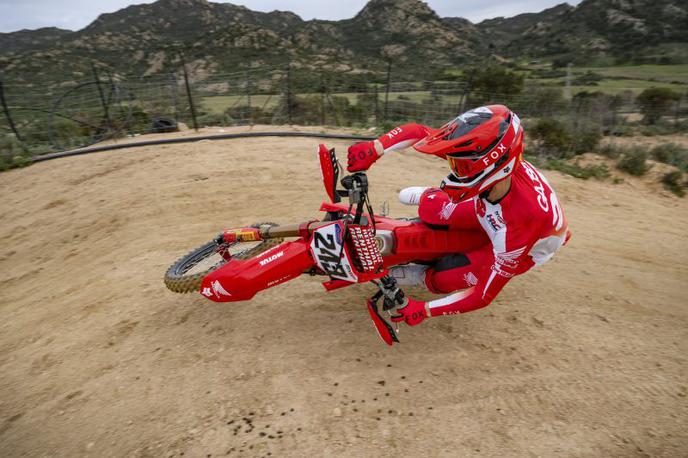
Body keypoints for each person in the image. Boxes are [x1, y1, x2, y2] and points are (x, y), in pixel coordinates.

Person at [347, 105, 570, 327]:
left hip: (528, 242)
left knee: (442, 279)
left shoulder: (517, 231)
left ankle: (419, 276)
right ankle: (428, 199)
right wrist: (375, 148)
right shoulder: (488, 161)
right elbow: (419, 132)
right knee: (430, 210)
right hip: (494, 206)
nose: (454, 169)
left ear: (491, 168)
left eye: (460, 166)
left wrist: (424, 310)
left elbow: (482, 295)